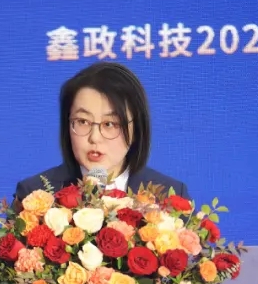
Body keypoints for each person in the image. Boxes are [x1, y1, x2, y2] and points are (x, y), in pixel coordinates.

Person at [12, 62, 189, 206]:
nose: (95, 137)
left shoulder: (171, 197)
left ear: (136, 129)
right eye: (83, 121)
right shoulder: (34, 195)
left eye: (109, 124)